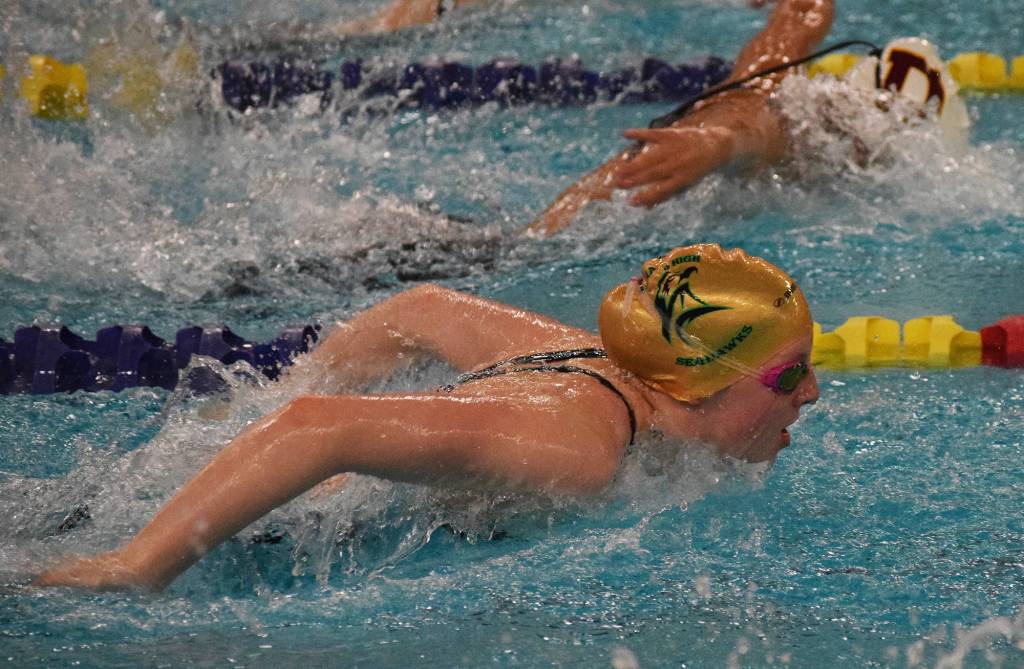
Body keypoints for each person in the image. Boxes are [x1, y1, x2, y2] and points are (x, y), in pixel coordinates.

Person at [34, 243, 819, 592]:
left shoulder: (598, 359)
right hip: (257, 529)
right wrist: (136, 564)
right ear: (697, 381)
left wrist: (253, 409)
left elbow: (423, 309)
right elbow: (320, 426)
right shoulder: (579, 447)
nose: (811, 393)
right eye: (788, 374)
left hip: (203, 485)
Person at [529, 0, 835, 235]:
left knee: (541, 237)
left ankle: (529, 239)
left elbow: (800, 15)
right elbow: (754, 123)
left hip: (708, 131)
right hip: (717, 132)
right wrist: (715, 142)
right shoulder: (802, 118)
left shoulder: (782, 77)